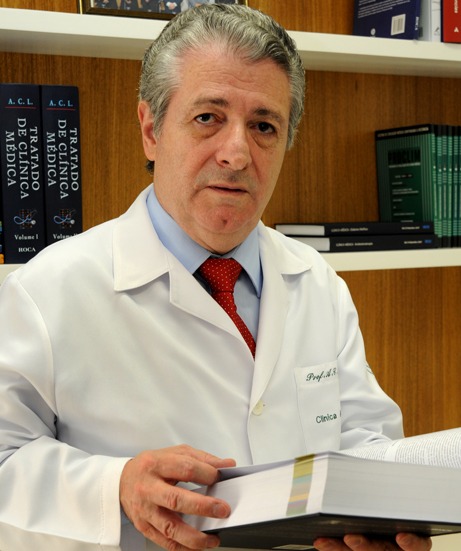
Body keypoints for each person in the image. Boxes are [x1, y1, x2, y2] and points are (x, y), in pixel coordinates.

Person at [0, 4, 432, 551]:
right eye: (208, 117)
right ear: (152, 130)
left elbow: (364, 437)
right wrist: (115, 485)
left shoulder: (317, 284)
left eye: (264, 126)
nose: (236, 154)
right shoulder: (49, 290)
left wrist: (384, 519)